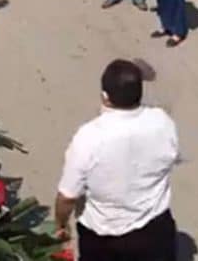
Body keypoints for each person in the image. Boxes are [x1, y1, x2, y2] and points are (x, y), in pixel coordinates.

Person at [54, 59, 180, 261]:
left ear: (105, 97)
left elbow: (68, 196)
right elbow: (170, 158)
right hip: (155, 229)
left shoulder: (89, 137)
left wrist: (61, 223)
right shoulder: (162, 121)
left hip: (105, 237)